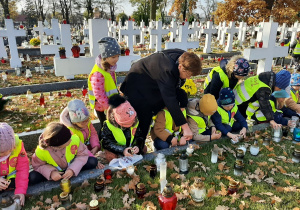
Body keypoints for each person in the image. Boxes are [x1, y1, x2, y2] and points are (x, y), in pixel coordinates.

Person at [120, 49, 202, 150]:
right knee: (144, 116)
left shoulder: (184, 57)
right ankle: (136, 149)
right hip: (137, 85)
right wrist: (185, 128)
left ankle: (138, 147)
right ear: (180, 67)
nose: (188, 78)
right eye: (188, 75)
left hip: (153, 84)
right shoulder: (168, 69)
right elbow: (170, 100)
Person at [29, 122, 98, 185]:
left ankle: (72, 172)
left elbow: (83, 154)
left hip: (72, 165)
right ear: (56, 147)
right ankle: (53, 178)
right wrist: (51, 173)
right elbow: (38, 166)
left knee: (92, 161)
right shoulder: (41, 152)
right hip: (56, 171)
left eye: (70, 138)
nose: (70, 141)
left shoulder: (73, 140)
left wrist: (72, 169)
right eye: (66, 143)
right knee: (32, 177)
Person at [88, 37, 120, 137]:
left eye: (118, 56)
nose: (116, 59)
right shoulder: (98, 73)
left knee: (112, 126)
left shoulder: (109, 68)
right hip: (102, 107)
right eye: (113, 57)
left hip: (111, 104)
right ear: (105, 57)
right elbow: (99, 94)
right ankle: (104, 143)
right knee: (105, 126)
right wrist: (109, 108)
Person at [101, 94, 146, 161]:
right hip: (117, 149)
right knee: (110, 156)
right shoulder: (108, 125)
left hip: (130, 148)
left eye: (132, 122)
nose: (131, 125)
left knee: (144, 148)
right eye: (127, 124)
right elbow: (107, 143)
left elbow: (139, 137)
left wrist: (138, 146)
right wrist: (122, 150)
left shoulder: (135, 121)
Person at [0, 123, 29, 206]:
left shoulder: (18, 145)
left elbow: (23, 168)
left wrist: (20, 191)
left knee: (31, 178)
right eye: (2, 153)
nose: (7, 154)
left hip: (12, 178)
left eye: (10, 150)